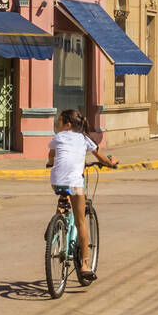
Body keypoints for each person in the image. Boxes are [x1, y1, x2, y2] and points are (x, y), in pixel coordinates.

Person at [46, 110, 117, 279]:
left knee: (64, 190)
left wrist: (49, 163)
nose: (57, 124)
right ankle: (85, 265)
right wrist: (111, 163)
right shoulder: (85, 138)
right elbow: (101, 158)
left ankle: (59, 218)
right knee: (80, 222)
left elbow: (51, 156)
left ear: (68, 124)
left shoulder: (58, 137)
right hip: (76, 185)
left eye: (59, 121)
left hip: (55, 181)